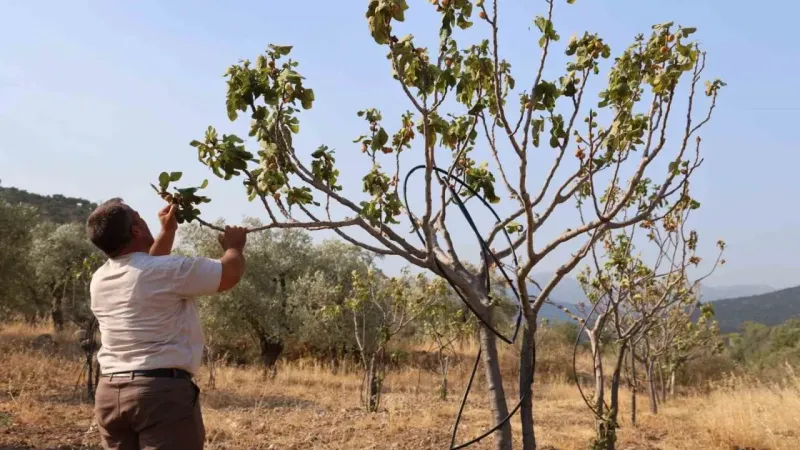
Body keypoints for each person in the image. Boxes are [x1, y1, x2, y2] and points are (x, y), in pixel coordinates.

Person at [85, 198, 247, 450]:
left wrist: (168, 231)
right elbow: (229, 274)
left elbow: (146, 268)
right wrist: (234, 247)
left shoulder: (100, 278)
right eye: (139, 218)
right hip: (160, 394)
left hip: (110, 394)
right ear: (136, 230)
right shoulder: (168, 270)